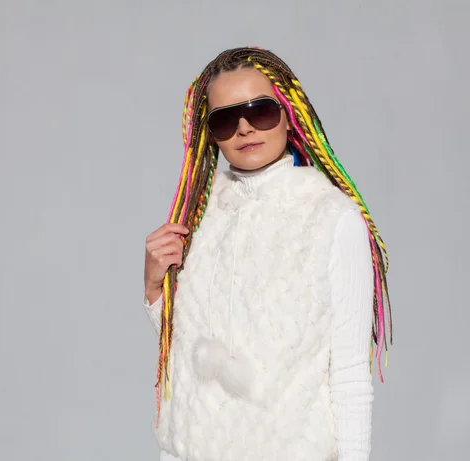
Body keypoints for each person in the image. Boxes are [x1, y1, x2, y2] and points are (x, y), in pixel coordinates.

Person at [142, 46, 392, 461]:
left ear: (288, 113)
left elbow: (348, 376)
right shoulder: (199, 214)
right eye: (225, 119)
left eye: (260, 111)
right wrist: (154, 289)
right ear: (212, 133)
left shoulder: (332, 218)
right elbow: (189, 354)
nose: (244, 128)